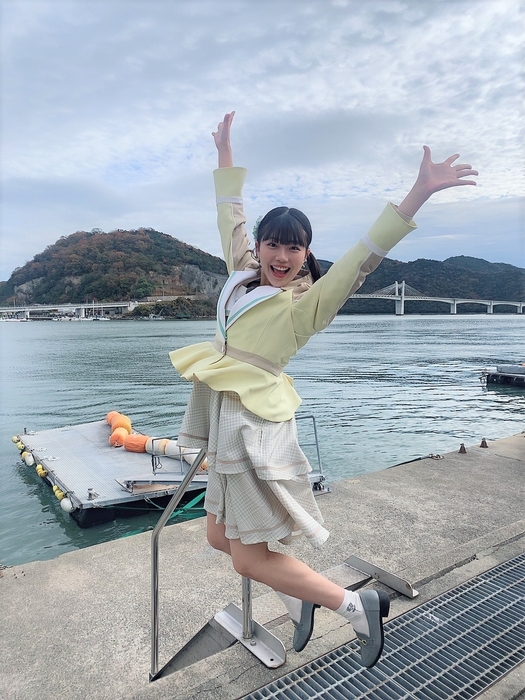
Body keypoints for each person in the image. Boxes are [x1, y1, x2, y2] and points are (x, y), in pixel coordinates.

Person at [170, 111, 478, 667]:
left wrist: (418, 193)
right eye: (273, 244)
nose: (281, 257)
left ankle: (355, 605)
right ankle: (298, 596)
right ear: (260, 245)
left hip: (250, 426)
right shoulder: (242, 275)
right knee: (218, 536)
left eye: (295, 249)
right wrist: (224, 153)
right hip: (224, 413)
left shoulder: (306, 305)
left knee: (246, 557)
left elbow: (362, 258)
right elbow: (229, 214)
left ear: (307, 253)